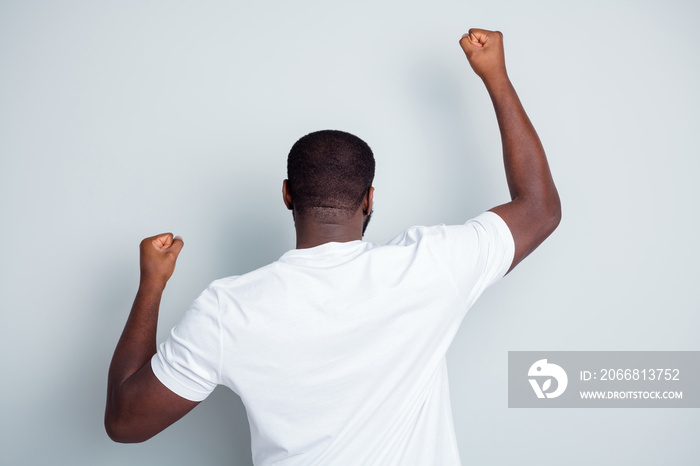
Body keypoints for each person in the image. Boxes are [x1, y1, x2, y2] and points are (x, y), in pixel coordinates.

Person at [105, 28, 561, 465]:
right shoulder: (430, 266)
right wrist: (495, 76)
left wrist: (152, 284)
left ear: (286, 194)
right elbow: (539, 209)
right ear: (368, 198)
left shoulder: (227, 310)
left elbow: (126, 422)